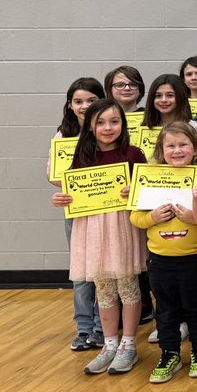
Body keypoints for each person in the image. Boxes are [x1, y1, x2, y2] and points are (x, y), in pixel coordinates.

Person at [51, 99, 148, 375]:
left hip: (122, 227)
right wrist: (61, 199)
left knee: (128, 287)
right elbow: (72, 192)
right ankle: (109, 343)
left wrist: (135, 191)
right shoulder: (82, 156)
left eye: (114, 121)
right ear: (90, 126)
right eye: (101, 122)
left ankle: (129, 345)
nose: (108, 128)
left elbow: (148, 190)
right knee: (104, 290)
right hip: (91, 229)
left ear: (123, 124)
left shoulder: (133, 154)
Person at [132, 123, 197, 382]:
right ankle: (170, 354)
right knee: (165, 311)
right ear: (161, 150)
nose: (177, 150)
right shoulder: (149, 178)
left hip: (196, 258)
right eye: (171, 146)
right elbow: (135, 217)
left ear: (196, 149)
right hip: (160, 259)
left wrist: (193, 217)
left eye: (183, 145)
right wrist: (153, 217)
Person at [51, 77, 105, 351]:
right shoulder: (63, 136)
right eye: (78, 101)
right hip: (77, 212)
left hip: (106, 212)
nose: (84, 106)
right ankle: (83, 328)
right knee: (81, 273)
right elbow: (53, 176)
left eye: (91, 100)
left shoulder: (109, 131)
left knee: (104, 272)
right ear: (70, 105)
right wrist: (64, 187)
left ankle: (102, 327)